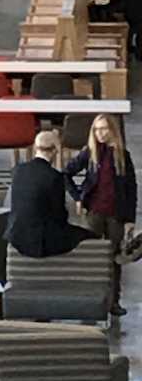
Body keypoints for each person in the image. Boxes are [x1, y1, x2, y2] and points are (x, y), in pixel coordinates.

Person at [65, 114, 137, 316]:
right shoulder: (90, 153)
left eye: (104, 129)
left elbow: (131, 189)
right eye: (97, 130)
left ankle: (114, 301)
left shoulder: (123, 155)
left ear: (112, 130)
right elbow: (66, 173)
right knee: (91, 257)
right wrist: (78, 196)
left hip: (116, 213)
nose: (101, 133)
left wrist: (131, 220)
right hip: (94, 212)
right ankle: (90, 299)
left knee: (115, 258)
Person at [6, 131, 95, 258]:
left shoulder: (17, 171)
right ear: (55, 151)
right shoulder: (54, 177)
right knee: (90, 235)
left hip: (16, 235)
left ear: (35, 148)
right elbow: (59, 215)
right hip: (41, 241)